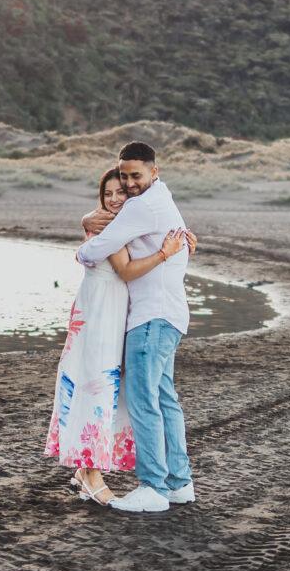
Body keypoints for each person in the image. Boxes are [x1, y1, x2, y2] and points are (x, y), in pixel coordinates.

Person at [47, 169, 186, 503]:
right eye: (107, 193)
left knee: (111, 391)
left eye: (120, 192)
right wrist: (166, 253)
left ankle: (86, 472)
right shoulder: (108, 227)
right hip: (98, 315)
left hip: (116, 315)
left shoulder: (127, 225)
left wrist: (184, 241)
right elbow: (120, 268)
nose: (113, 199)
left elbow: (151, 234)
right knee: (95, 386)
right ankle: (91, 474)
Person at [74, 142, 197, 515]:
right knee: (164, 400)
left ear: (154, 172)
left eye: (135, 176)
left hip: (150, 318)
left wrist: (82, 244)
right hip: (169, 315)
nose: (129, 183)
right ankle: (179, 483)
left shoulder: (142, 207)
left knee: (145, 402)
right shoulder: (162, 199)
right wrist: (87, 220)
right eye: (124, 176)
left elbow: (97, 250)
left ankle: (153, 487)